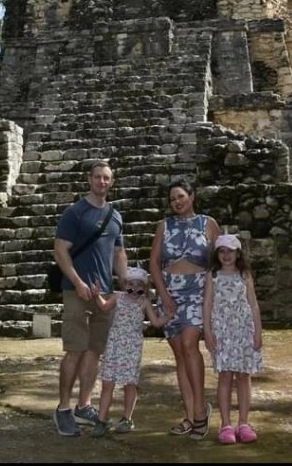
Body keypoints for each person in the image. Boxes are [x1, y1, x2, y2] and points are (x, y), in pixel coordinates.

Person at [52, 160, 127, 437]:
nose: (102, 182)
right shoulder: (75, 213)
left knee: (94, 350)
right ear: (89, 179)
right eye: (97, 177)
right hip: (77, 291)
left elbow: (119, 254)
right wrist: (78, 282)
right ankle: (63, 409)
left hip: (103, 294)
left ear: (111, 182)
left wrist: (126, 283)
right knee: (75, 349)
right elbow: (60, 251)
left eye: (107, 178)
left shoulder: (115, 216)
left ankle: (85, 404)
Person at [149, 178, 220, 440]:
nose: (177, 202)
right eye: (172, 199)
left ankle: (201, 409)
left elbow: (219, 261)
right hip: (169, 292)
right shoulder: (163, 226)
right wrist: (164, 295)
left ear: (192, 195)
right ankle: (189, 416)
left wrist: (215, 299)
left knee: (190, 343)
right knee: (179, 353)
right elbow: (154, 264)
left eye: (180, 196)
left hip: (198, 290)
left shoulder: (208, 224)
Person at [88, 266, 171, 437]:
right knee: (108, 383)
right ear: (124, 285)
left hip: (132, 346)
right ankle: (102, 420)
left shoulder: (144, 302)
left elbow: (155, 322)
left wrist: (169, 316)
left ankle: (127, 418)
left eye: (139, 285)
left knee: (130, 383)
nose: (134, 288)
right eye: (130, 284)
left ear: (145, 288)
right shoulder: (118, 297)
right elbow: (104, 307)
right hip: (115, 344)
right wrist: (97, 296)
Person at [203, 234, 264, 445]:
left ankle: (244, 423)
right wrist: (208, 331)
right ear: (217, 254)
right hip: (222, 332)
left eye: (230, 251)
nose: (226, 255)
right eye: (222, 251)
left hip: (243, 330)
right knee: (225, 376)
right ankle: (226, 424)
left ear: (238, 253)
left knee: (244, 376)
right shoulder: (213, 276)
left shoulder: (244, 275)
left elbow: (253, 303)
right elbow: (207, 305)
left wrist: (258, 331)